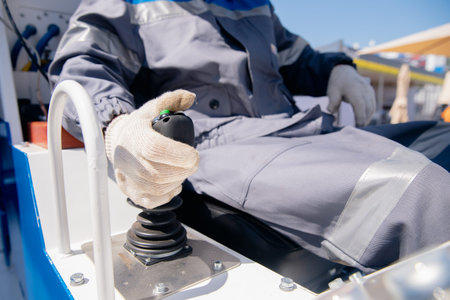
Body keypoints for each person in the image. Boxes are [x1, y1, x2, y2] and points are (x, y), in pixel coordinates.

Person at [49, 0, 450, 274]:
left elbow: (295, 57)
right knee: (422, 194)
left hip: (301, 130)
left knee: (442, 139)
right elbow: (79, 69)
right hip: (219, 146)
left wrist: (334, 69)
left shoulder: (254, 3)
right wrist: (117, 123)